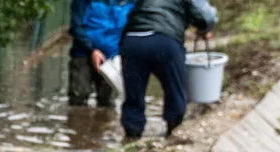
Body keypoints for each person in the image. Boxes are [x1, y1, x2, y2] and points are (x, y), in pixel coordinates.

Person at [119, 0, 217, 141]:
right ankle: (172, 132)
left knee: (133, 94)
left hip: (133, 40)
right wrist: (204, 29)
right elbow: (206, 16)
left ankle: (131, 137)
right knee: (174, 90)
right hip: (165, 41)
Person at [68, 0, 134, 107]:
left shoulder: (130, 3)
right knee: (78, 98)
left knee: (108, 102)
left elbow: (132, 28)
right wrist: (93, 50)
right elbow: (76, 26)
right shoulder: (83, 2)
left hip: (111, 58)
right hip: (83, 55)